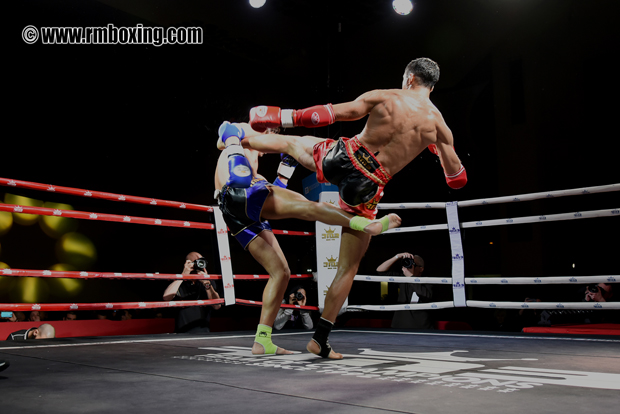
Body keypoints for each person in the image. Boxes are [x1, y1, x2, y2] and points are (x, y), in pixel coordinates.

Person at [244, 57, 466, 358]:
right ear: (431, 84)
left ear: (410, 79)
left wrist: (284, 115)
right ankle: (319, 339)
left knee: (291, 144)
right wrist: (439, 147)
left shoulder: (386, 96)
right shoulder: (439, 125)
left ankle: (237, 137)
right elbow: (456, 180)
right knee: (347, 266)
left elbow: (332, 114)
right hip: (369, 185)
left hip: (346, 155)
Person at [215, 122, 401, 355]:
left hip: (235, 213)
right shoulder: (248, 131)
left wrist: (285, 169)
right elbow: (225, 131)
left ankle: (262, 341)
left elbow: (275, 194)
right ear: (268, 133)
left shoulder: (249, 157)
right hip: (241, 191)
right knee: (309, 207)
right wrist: (235, 143)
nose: (265, 151)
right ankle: (364, 223)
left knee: (281, 272)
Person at [163, 252, 221, 333]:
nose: (199, 264)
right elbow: (166, 297)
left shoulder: (208, 282)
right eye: (196, 261)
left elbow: (217, 306)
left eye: (201, 261)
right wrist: (183, 275)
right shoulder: (179, 282)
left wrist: (207, 284)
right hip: (181, 333)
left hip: (204, 333)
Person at [376, 253, 433, 329]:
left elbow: (426, 296)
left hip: (420, 327)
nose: (409, 266)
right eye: (406, 263)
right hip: (399, 325)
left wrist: (410, 277)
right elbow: (380, 271)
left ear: (421, 269)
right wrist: (397, 256)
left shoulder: (427, 280)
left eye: (413, 264)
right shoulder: (402, 278)